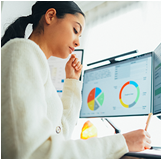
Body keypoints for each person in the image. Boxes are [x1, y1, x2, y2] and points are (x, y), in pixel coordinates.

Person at [1, 2, 150, 159]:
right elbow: (33, 152)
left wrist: (72, 81)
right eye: (75, 30)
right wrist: (122, 142)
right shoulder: (21, 51)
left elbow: (60, 135)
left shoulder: (38, 68)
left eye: (80, 36)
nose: (78, 41)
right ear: (50, 16)